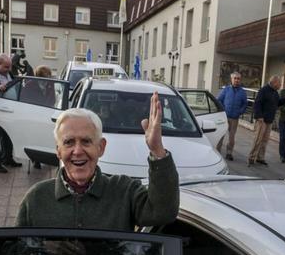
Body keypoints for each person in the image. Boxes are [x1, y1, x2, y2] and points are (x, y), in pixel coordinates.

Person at [16, 93, 179, 230]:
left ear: (101, 147)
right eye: (69, 142)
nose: (78, 151)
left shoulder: (123, 191)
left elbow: (163, 212)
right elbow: (14, 252)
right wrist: (43, 247)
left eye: (86, 141)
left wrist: (157, 150)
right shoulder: (36, 198)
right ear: (58, 151)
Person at [248, 75, 285, 167]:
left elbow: (277, 103)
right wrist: (259, 116)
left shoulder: (275, 92)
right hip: (262, 120)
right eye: (279, 83)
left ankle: (260, 158)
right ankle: (252, 157)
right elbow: (257, 103)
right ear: (274, 82)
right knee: (258, 139)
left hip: (269, 119)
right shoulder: (263, 90)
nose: (280, 85)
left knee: (265, 140)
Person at [216, 72, 248, 161]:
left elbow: (245, 104)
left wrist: (240, 112)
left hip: (234, 118)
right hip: (224, 117)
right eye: (235, 78)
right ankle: (217, 152)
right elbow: (219, 100)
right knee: (221, 134)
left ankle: (229, 153)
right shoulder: (226, 89)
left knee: (232, 137)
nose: (237, 80)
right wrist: (223, 110)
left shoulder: (242, 91)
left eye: (238, 78)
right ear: (231, 79)